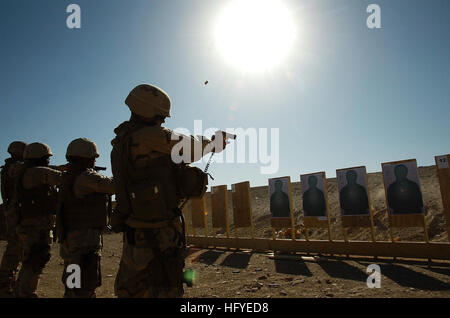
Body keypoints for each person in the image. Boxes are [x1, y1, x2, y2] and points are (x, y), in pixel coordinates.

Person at [111, 83, 227, 298]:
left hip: (134, 226)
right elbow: (189, 148)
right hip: (157, 229)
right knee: (166, 284)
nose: (163, 120)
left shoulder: (121, 141)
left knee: (133, 287)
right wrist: (212, 143)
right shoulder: (149, 136)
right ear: (147, 110)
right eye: (160, 115)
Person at [57, 138, 115, 298]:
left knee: (73, 283)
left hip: (72, 237)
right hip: (84, 240)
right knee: (85, 284)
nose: (95, 160)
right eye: (93, 157)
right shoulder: (86, 176)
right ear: (86, 156)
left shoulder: (68, 175)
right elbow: (111, 185)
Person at [13, 142, 62, 298]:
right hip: (36, 225)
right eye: (46, 158)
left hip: (28, 224)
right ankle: (27, 293)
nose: (48, 161)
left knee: (30, 260)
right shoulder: (37, 172)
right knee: (36, 260)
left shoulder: (25, 171)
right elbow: (61, 178)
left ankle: (21, 292)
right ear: (40, 158)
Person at [0, 141, 27, 297]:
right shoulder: (16, 168)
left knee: (14, 251)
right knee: (17, 251)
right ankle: (9, 287)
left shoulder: (9, 168)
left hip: (12, 214)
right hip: (18, 216)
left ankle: (7, 286)